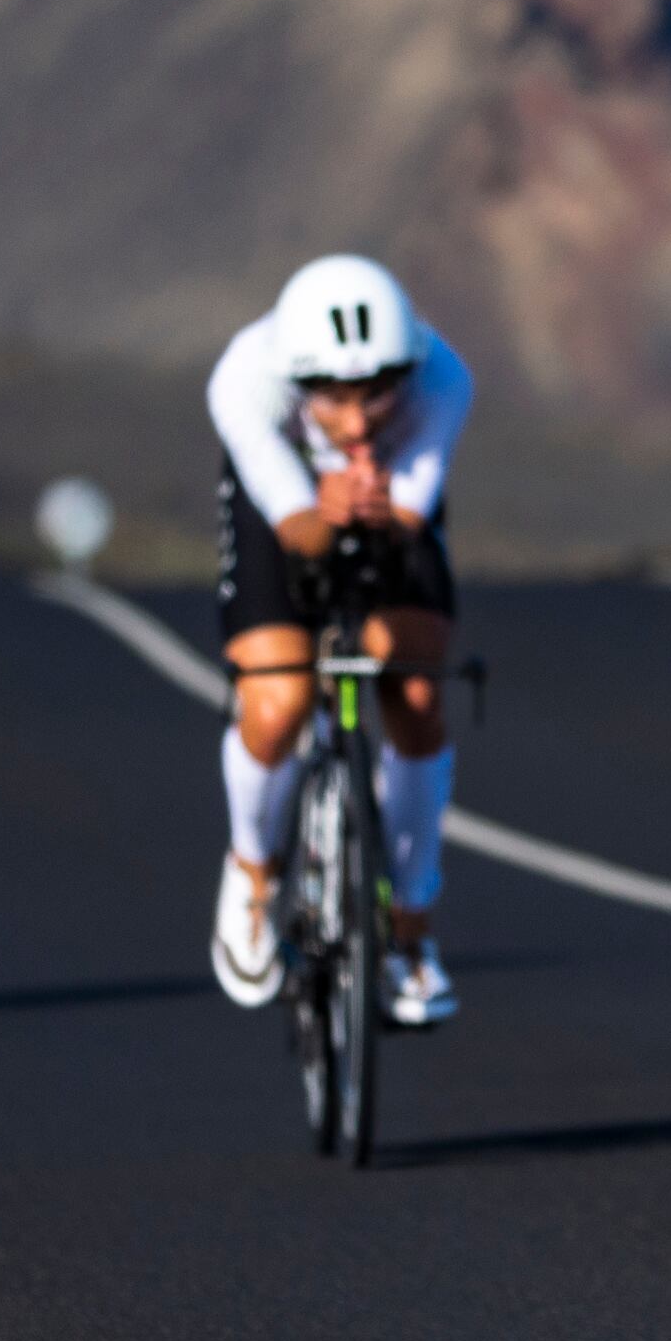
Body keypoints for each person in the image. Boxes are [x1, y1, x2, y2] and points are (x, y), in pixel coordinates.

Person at [205, 253, 474, 1028]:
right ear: (297, 382)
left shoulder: (444, 377)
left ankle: (411, 926)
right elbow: (295, 527)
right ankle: (254, 871)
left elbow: (414, 515)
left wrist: (373, 501)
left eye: (378, 395)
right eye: (332, 399)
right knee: (279, 696)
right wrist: (324, 506)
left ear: (407, 371)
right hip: (284, 500)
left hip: (386, 503)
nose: (357, 422)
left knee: (417, 689)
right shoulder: (244, 379)